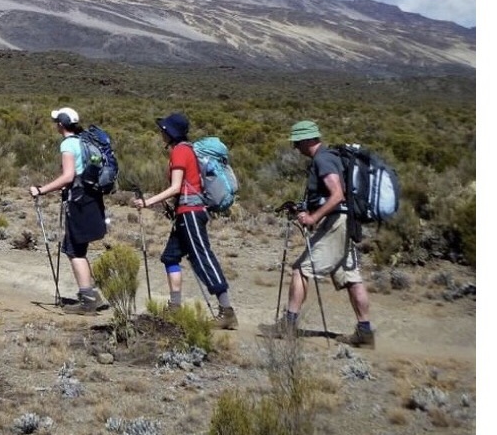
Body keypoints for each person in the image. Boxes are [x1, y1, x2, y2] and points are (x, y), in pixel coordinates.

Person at [261, 120, 375, 347]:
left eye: (296, 142)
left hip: (336, 223)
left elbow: (337, 195)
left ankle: (289, 324)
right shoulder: (330, 157)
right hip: (345, 221)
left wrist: (313, 218)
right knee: (351, 278)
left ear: (306, 140)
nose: (295, 148)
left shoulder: (323, 159)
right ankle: (365, 332)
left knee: (301, 270)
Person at [133, 112, 238, 329]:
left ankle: (226, 311)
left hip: (191, 212)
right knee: (170, 257)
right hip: (185, 212)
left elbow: (175, 187)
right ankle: (175, 306)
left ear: (170, 133)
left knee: (202, 257)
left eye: (163, 130)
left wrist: (147, 202)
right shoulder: (185, 150)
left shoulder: (181, 151)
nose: (161, 133)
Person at [28, 107, 104, 312]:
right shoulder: (84, 141)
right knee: (79, 248)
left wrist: (41, 190)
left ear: (61, 124)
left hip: (78, 202)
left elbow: (68, 176)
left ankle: (87, 299)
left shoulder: (68, 145)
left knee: (74, 249)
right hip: (90, 199)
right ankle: (91, 293)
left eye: (56, 122)